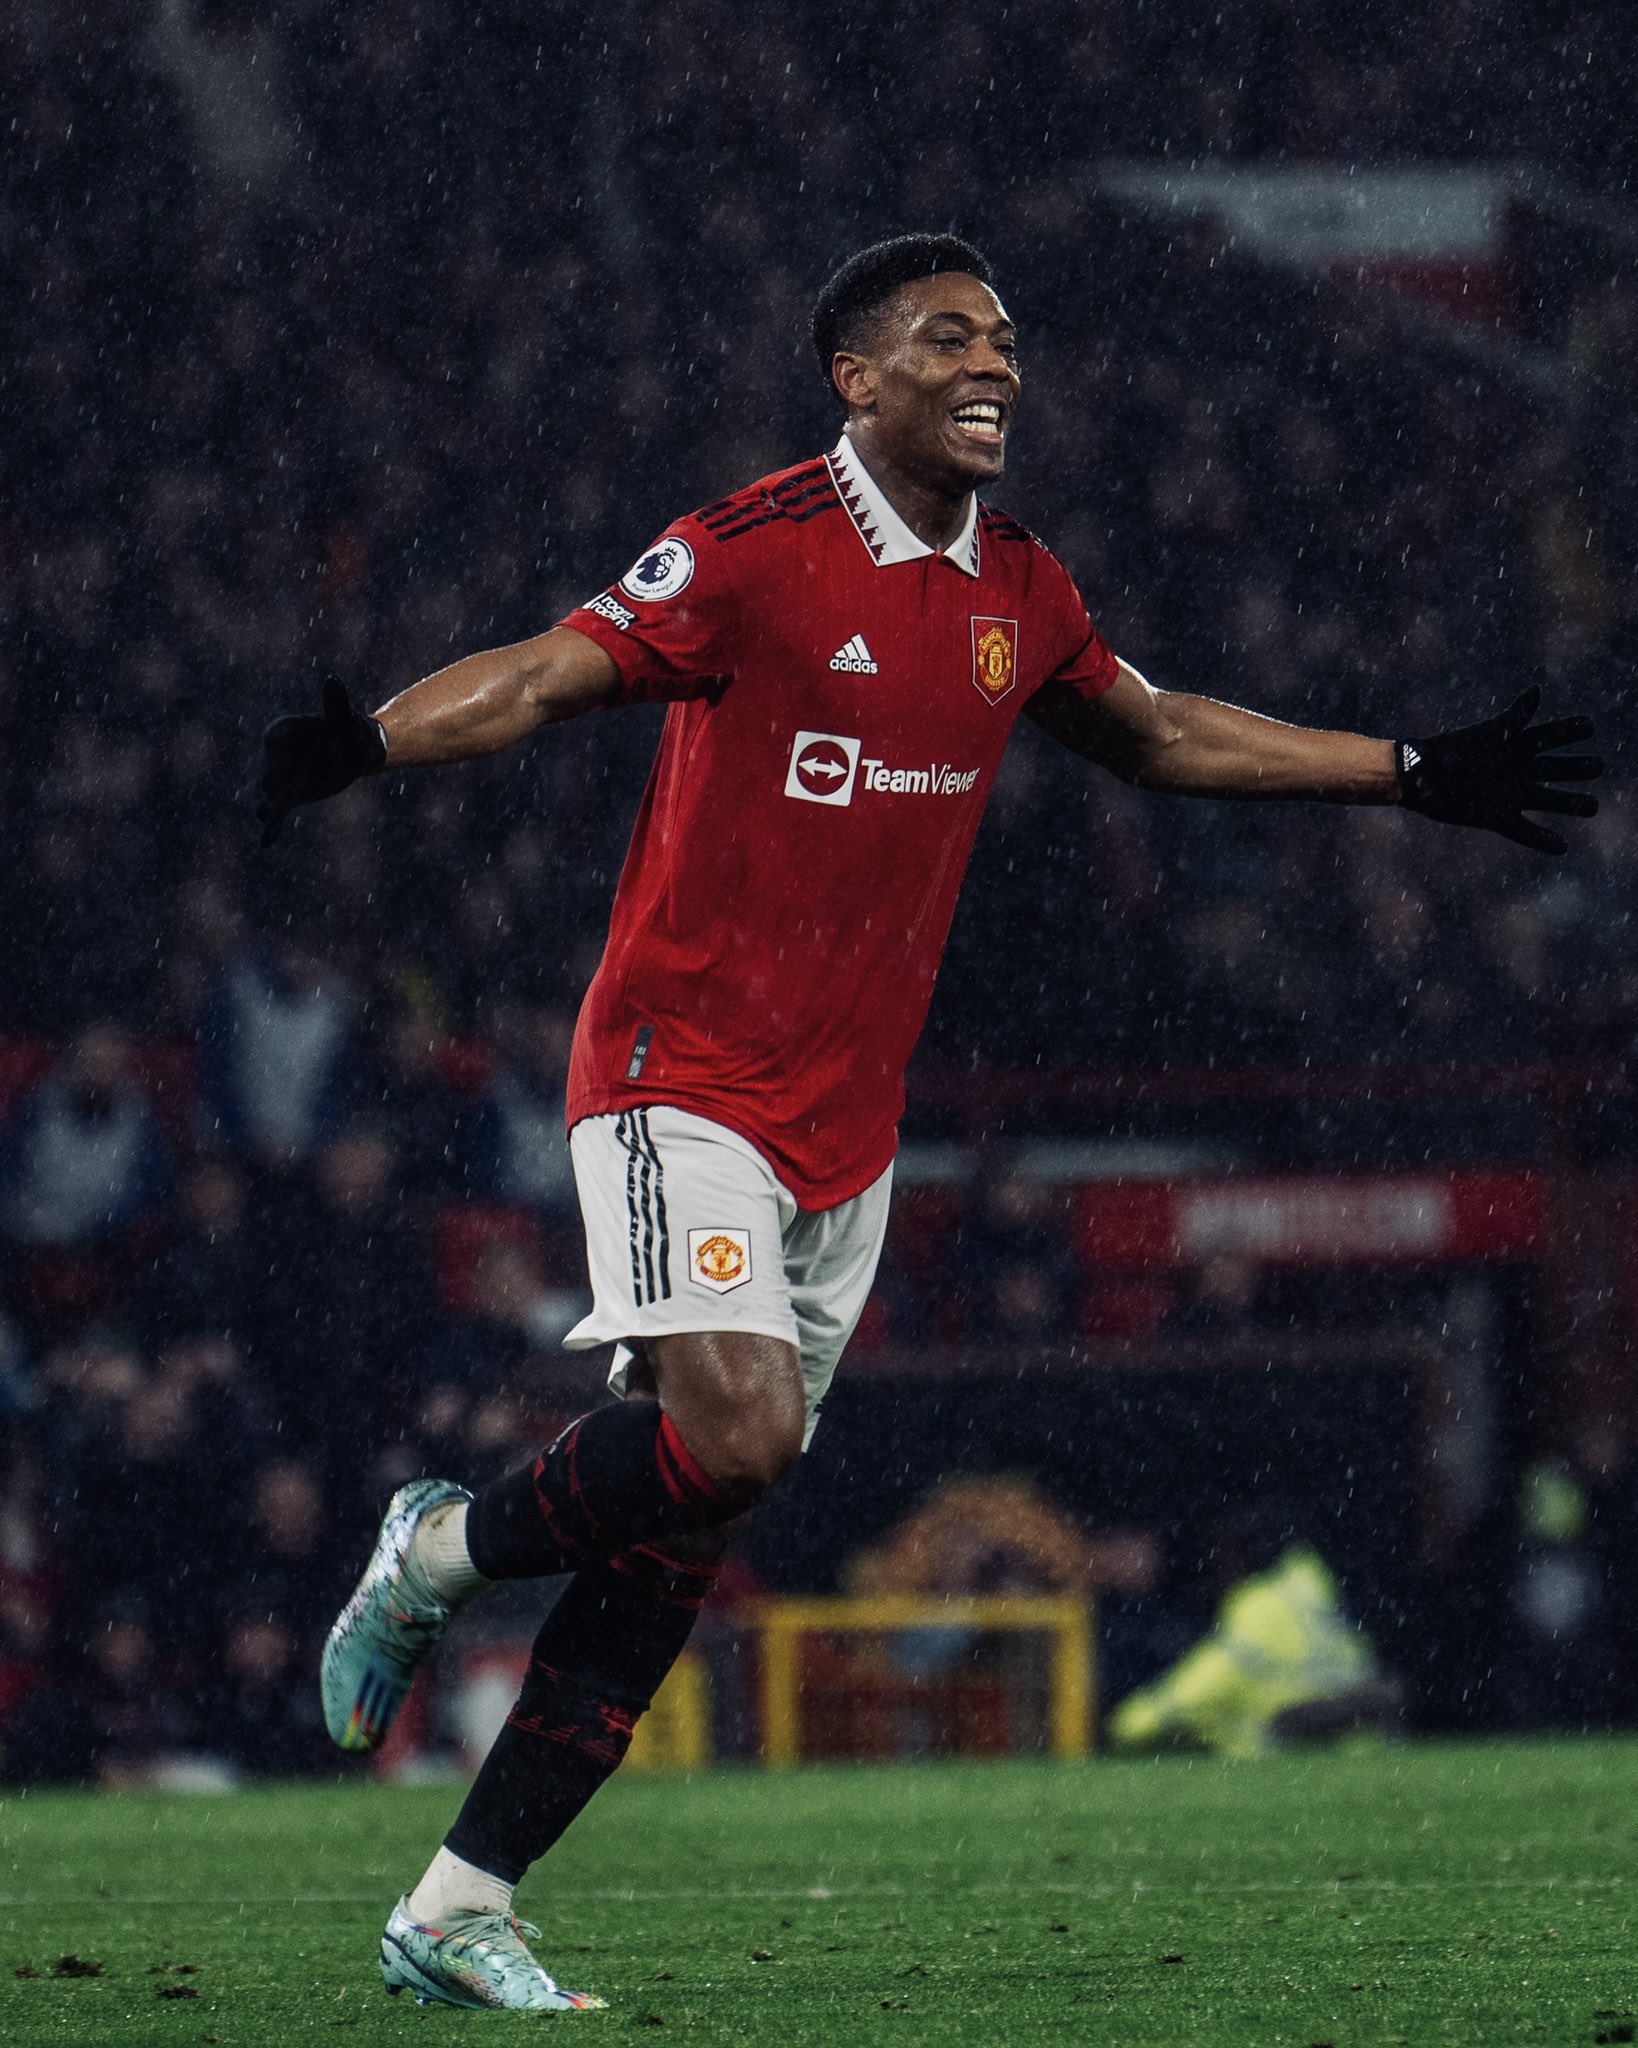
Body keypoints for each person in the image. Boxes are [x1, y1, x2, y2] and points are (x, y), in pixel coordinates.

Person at [256, 234, 1602, 2013]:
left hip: (845, 1129)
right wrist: (374, 742)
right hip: (679, 1078)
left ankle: (451, 1908)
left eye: (1007, 340)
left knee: (686, 1521)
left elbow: (1165, 733)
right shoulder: (747, 552)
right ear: (856, 377)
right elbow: (545, 673)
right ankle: (429, 1552)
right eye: (948, 337)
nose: (995, 366)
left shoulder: (1020, 590)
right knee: (731, 1434)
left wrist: (1408, 773)